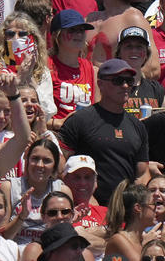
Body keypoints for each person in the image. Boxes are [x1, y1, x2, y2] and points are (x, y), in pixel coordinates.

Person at [59, 58, 149, 202]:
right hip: (87, 210)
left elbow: (142, 174)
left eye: (129, 81)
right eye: (118, 80)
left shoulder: (137, 126)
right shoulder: (79, 120)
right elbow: (61, 165)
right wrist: (86, 198)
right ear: (100, 84)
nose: (125, 85)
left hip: (125, 211)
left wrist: (134, 203)